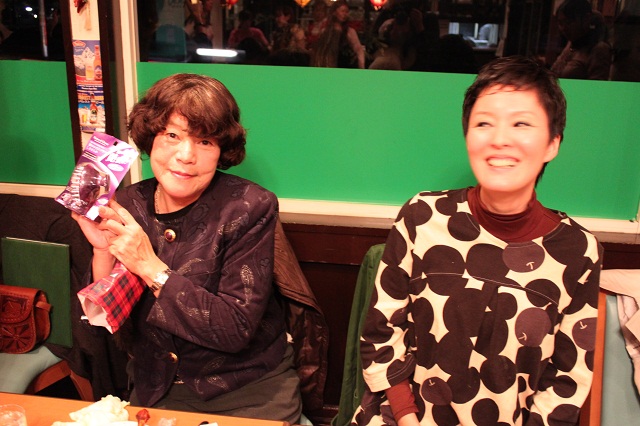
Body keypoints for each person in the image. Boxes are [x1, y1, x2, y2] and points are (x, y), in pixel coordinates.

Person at [352, 56, 602, 425]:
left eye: (521, 123)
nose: (500, 139)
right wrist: (405, 415)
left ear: (552, 144)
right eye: (484, 123)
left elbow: (567, 380)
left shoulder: (578, 250)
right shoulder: (422, 217)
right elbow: (380, 332)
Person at [72, 73, 302, 423]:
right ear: (151, 139)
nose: (185, 155)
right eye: (172, 136)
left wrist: (149, 266)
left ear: (221, 150)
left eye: (205, 141)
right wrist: (103, 251)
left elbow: (234, 329)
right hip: (156, 388)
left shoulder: (248, 207)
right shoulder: (128, 203)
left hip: (245, 390)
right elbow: (106, 321)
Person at [550, 0, 611, 80]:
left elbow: (597, 84)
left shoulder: (599, 49)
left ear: (586, 19)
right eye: (561, 23)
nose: (563, 28)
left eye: (569, 22)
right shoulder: (571, 43)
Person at [311, 0, 365, 69]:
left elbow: (358, 49)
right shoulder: (325, 31)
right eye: (342, 11)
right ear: (334, 12)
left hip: (344, 67)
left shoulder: (349, 31)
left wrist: (361, 66)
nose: (345, 14)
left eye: (346, 12)